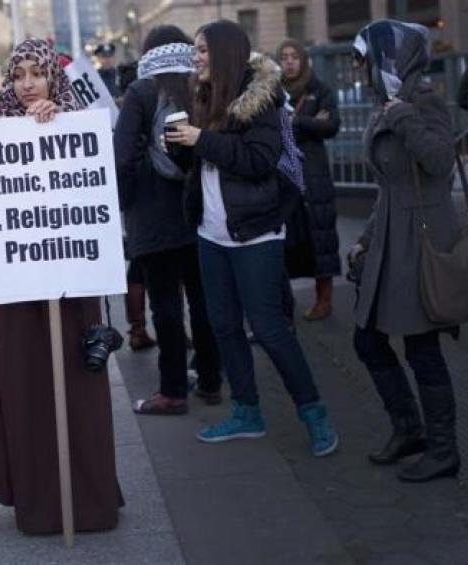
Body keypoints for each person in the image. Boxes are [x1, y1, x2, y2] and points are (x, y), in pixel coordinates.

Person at [166, 20, 339, 456]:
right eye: (195, 50)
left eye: (203, 50)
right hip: (211, 233)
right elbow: (198, 165)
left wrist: (202, 139)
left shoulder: (262, 99)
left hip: (256, 232)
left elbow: (259, 161)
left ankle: (314, 414)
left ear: (224, 53)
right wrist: (180, 145)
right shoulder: (202, 94)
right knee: (223, 326)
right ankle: (246, 412)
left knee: (270, 329)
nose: (196, 58)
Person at [0, 39, 124, 534]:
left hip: (70, 282)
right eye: (18, 74)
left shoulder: (80, 120)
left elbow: (100, 185)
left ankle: (87, 501)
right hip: (18, 285)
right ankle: (38, 501)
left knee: (77, 391)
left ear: (52, 77)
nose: (26, 84)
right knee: (27, 387)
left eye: (36, 74)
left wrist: (61, 122)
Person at [349, 20, 461, 482]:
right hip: (391, 239)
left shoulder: (424, 101)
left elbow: (439, 162)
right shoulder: (386, 105)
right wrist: (367, 239)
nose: (360, 74)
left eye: (364, 63)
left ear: (389, 60)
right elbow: (388, 188)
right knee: (367, 339)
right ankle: (409, 429)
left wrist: (402, 116)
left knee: (421, 348)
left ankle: (444, 450)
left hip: (422, 239)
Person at [115, 25, 222, 414]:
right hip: (200, 210)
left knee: (166, 306)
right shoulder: (200, 87)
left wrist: (126, 202)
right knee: (203, 301)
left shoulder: (141, 92)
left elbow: (123, 157)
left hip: (152, 215)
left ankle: (173, 390)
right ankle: (211, 381)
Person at [277, 39, 342, 321]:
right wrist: (311, 121)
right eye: (284, 57)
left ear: (303, 60)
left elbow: (330, 125)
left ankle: (324, 300)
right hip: (285, 175)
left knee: (321, 235)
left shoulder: (319, 88)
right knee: (288, 238)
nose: (289, 62)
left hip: (314, 174)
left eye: (294, 56)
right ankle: (284, 303)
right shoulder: (275, 92)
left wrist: (298, 122)